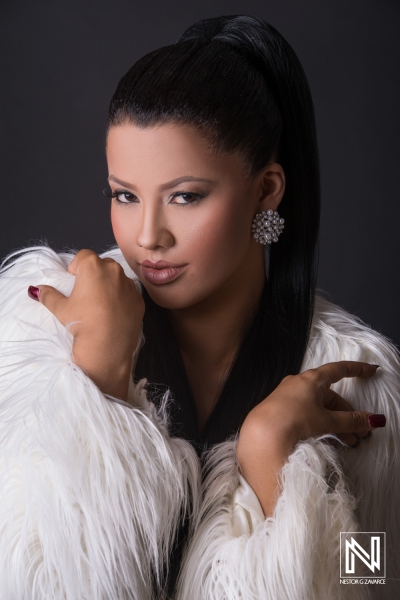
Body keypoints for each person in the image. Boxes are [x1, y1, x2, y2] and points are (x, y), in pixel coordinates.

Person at [0, 14, 399, 600]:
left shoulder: (358, 386)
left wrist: (276, 474)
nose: (148, 235)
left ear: (266, 189)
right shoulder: (42, 330)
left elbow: (374, 583)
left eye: (185, 197)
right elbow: (27, 573)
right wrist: (96, 381)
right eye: (125, 196)